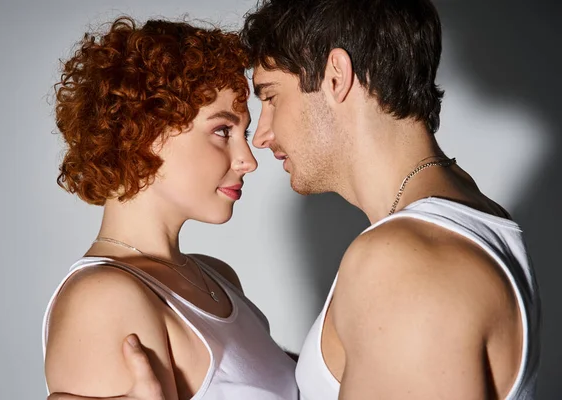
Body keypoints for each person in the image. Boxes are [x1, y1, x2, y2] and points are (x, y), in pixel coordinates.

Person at [48, 1, 541, 399]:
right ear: (144, 132)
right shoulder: (473, 218)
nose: (256, 144)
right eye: (225, 129)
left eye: (271, 97)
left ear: (335, 76)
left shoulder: (406, 263)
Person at [42, 16, 298, 400]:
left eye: (242, 134)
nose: (248, 160)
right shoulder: (102, 300)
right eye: (223, 131)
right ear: (145, 132)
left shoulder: (217, 276)